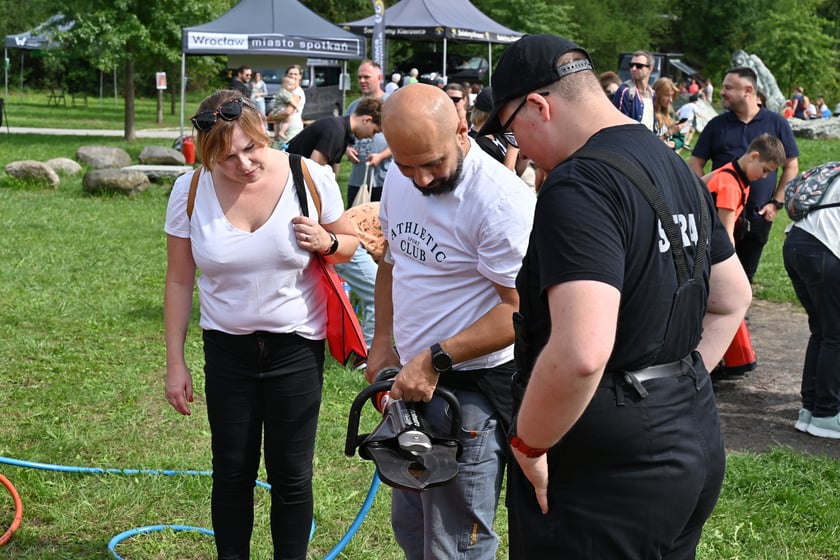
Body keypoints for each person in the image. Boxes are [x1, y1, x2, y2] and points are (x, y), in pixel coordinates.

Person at [478, 34, 751, 558]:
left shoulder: (580, 183)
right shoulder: (672, 162)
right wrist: (674, 380)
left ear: (539, 106)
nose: (519, 149)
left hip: (605, 468)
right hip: (689, 432)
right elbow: (731, 297)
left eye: (512, 130)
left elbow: (581, 352)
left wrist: (529, 443)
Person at [163, 90, 358, 560]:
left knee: (292, 475)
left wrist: (327, 241)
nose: (244, 164)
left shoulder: (308, 176)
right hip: (227, 350)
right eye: (227, 158)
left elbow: (350, 243)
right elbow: (179, 279)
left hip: (296, 348)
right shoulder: (190, 190)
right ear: (207, 155)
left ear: (263, 132)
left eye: (250, 148)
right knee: (231, 472)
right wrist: (175, 362)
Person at [367, 83, 535, 559]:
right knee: (412, 528)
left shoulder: (499, 201)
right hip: (412, 383)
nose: (421, 180)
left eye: (433, 164)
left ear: (463, 129)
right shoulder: (400, 176)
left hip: (472, 390)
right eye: (406, 165)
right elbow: (392, 260)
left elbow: (519, 310)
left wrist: (434, 359)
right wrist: (382, 340)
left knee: (456, 542)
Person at [689, 66, 800, 284]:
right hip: (721, 214)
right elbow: (695, 163)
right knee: (714, 276)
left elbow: (791, 166)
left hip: (758, 217)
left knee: (745, 277)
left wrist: (775, 204)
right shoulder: (716, 125)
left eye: (728, 87)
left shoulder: (776, 123)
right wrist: (705, 200)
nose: (722, 92)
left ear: (748, 90)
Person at [704, 134, 786, 379]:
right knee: (726, 301)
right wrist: (733, 269)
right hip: (708, 251)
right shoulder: (730, 185)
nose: (765, 177)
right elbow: (725, 234)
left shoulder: (732, 173)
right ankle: (714, 362)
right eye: (765, 170)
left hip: (704, 248)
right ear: (754, 156)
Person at [783, 166, 840, 438]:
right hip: (824, 248)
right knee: (836, 335)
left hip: (796, 242)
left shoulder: (834, 171)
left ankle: (809, 409)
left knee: (821, 331)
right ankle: (826, 414)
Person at [286, 97, 382, 176]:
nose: (372, 137)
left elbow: (333, 169)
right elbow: (314, 172)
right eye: (374, 131)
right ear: (367, 120)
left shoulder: (342, 130)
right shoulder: (336, 131)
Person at [345, 60, 392, 207]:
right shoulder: (354, 106)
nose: (362, 81)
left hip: (382, 179)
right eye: (359, 77)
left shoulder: (392, 103)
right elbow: (345, 134)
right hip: (357, 179)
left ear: (379, 78)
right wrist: (347, 149)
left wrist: (381, 156)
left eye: (366, 77)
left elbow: (404, 140)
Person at [613, 50, 656, 131]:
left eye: (639, 66)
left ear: (650, 69)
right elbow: (618, 126)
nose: (633, 68)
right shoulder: (625, 91)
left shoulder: (652, 94)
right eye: (631, 65)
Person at [652, 77, 685, 151]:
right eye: (667, 95)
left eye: (672, 95)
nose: (670, 99)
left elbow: (680, 139)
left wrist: (674, 143)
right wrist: (668, 133)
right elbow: (649, 145)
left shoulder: (670, 113)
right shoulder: (649, 113)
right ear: (658, 94)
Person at [268, 76, 300, 143]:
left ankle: (276, 134)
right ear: (283, 85)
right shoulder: (285, 92)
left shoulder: (280, 91)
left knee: (276, 123)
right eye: (290, 85)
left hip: (275, 110)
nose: (292, 87)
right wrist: (296, 106)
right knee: (287, 120)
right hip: (281, 109)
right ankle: (282, 132)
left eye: (293, 85)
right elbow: (291, 101)